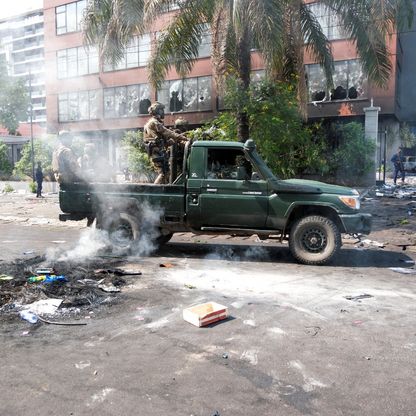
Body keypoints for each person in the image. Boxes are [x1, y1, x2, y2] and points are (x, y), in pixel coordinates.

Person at [143, 102, 188, 184]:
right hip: (156, 152)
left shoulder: (155, 122)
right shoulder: (154, 122)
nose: (163, 112)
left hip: (158, 151)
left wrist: (171, 141)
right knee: (163, 174)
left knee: (166, 173)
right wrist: (183, 138)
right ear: (157, 111)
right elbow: (167, 132)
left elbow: (163, 138)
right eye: (162, 110)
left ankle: (160, 190)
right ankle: (154, 191)